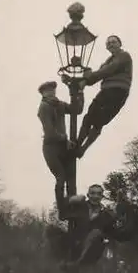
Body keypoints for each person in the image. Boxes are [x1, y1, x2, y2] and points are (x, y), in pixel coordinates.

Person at [75, 35, 133, 158]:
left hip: (117, 91)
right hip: (106, 91)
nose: (111, 44)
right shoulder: (106, 62)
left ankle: (81, 147)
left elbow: (106, 71)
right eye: (109, 43)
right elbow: (94, 79)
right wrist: (85, 72)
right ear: (107, 47)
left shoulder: (124, 56)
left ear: (120, 44)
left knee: (97, 121)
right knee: (90, 118)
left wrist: (87, 77)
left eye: (114, 42)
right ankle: (78, 146)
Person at [37, 80, 84, 218]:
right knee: (60, 177)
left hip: (63, 146)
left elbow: (77, 110)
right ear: (43, 94)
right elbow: (50, 132)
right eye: (48, 91)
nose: (52, 93)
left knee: (71, 177)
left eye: (53, 90)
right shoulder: (44, 107)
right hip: (51, 148)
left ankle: (73, 207)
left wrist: (80, 93)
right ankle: (62, 211)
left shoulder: (60, 104)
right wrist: (65, 139)